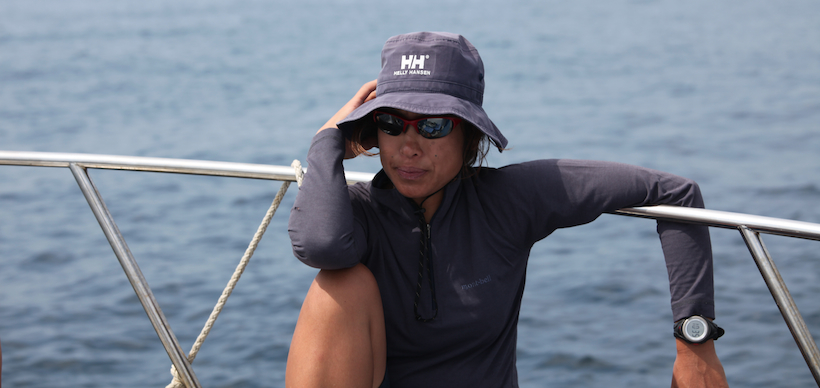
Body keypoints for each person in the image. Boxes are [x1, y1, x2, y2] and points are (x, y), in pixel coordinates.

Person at [287, 32, 728, 388]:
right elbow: (321, 245)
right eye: (391, 123)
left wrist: (695, 342)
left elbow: (675, 193)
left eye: (433, 125)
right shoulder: (359, 214)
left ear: (470, 136)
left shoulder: (507, 200)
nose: (409, 146)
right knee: (339, 285)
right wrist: (326, 142)